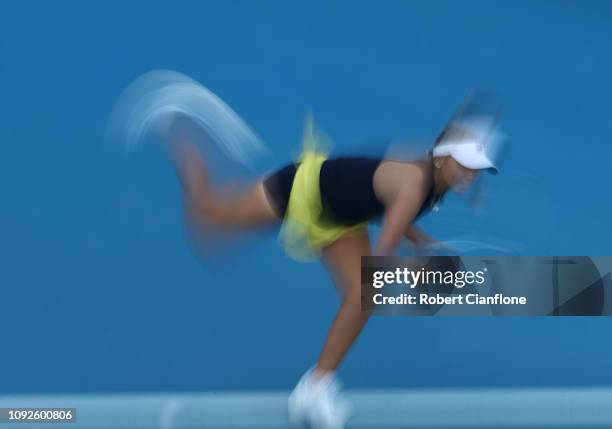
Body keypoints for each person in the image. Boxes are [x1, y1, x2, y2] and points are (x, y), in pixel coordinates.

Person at [170, 110, 499, 429]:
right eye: (465, 166)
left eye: (476, 169)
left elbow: (389, 204)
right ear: (443, 158)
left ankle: (314, 389)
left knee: (362, 294)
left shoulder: (429, 176)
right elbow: (382, 256)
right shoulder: (415, 183)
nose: (470, 176)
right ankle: (180, 134)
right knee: (209, 224)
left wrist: (418, 241)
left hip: (342, 218)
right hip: (299, 190)